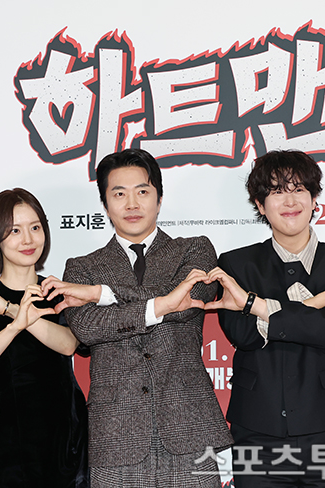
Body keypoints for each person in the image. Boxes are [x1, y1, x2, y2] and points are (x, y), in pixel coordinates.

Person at [42, 149, 232, 488]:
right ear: (105, 204)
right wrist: (163, 303)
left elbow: (188, 302)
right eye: (119, 194)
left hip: (189, 429)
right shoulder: (81, 268)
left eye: (142, 191)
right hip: (116, 435)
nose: (132, 204)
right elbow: (87, 329)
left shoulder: (195, 250)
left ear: (159, 199)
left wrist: (102, 294)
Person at [204, 150, 325, 487]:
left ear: (314, 198)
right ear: (260, 204)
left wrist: (255, 305)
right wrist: (321, 300)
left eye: (298, 189)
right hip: (258, 430)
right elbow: (244, 335)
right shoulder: (236, 266)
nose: (290, 201)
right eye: (277, 191)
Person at [0, 188, 89, 488]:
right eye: (15, 230)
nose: (28, 239)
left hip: (64, 430)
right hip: (9, 432)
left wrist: (12, 310)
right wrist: (13, 326)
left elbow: (69, 343)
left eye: (35, 227)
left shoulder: (59, 292)